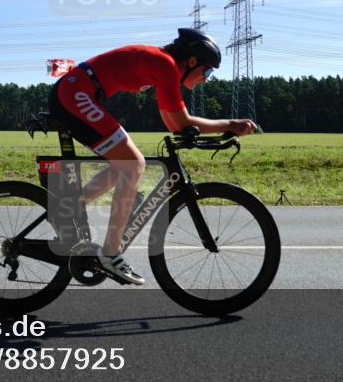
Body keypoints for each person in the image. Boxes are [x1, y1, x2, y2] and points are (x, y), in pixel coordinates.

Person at [47, 28, 258, 285]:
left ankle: (69, 205)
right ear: (191, 61)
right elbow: (180, 121)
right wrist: (230, 124)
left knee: (128, 164)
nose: (206, 79)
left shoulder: (163, 65)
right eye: (208, 71)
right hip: (75, 93)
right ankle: (109, 253)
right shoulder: (166, 64)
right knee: (133, 164)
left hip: (79, 92)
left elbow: (174, 123)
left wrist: (214, 129)